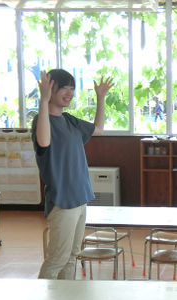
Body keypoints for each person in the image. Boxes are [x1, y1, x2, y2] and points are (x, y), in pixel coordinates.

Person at [33, 69, 113, 280]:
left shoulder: (69, 120)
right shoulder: (41, 121)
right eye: (64, 88)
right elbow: (43, 142)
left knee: (71, 256)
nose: (69, 93)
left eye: (72, 88)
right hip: (62, 201)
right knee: (57, 259)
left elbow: (98, 128)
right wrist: (43, 101)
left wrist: (101, 98)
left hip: (80, 198)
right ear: (51, 89)